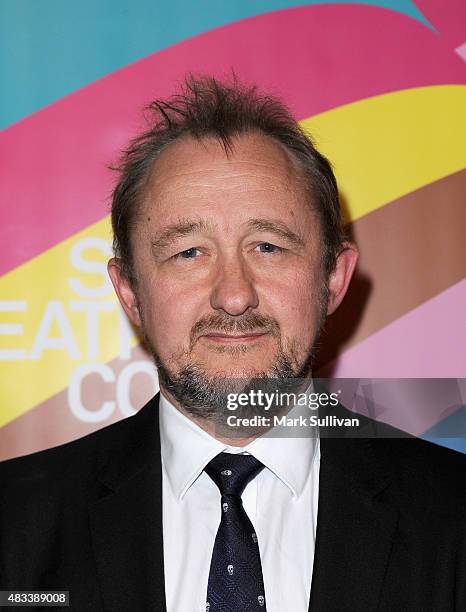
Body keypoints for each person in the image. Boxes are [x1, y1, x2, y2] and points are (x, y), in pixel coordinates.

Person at [1, 76, 465, 612]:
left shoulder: (454, 517)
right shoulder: (13, 527)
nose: (234, 295)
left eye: (267, 246)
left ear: (333, 279)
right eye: (189, 253)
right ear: (129, 292)